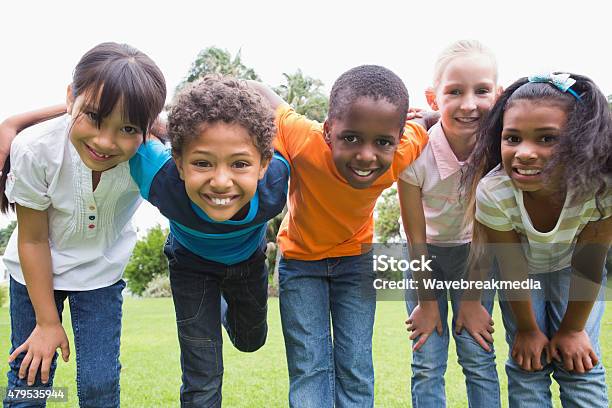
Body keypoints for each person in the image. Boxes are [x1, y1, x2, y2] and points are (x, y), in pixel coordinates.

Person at [251, 65, 430, 407]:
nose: (366, 155)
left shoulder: (405, 149)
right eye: (351, 138)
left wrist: (435, 112)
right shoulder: (303, 139)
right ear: (329, 131)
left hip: (356, 265)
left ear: (398, 137)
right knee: (308, 366)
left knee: (356, 367)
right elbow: (260, 91)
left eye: (382, 142)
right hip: (301, 264)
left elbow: (427, 123)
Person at [1, 42, 166, 407]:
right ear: (69, 99)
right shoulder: (35, 149)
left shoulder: (151, 159)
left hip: (99, 274)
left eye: (126, 128)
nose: (104, 142)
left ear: (145, 128)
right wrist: (46, 323)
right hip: (34, 268)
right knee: (30, 383)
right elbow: (32, 239)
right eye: (93, 117)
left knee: (98, 386)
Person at [129, 75, 290, 407]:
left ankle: (218, 308)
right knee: (202, 374)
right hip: (191, 267)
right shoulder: (161, 180)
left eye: (240, 164)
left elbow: (305, 131)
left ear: (263, 166)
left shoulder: (275, 184)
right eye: (202, 163)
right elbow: (112, 119)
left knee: (251, 340)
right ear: (179, 164)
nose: (220, 181)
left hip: (247, 264)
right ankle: (206, 307)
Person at [462, 72, 611, 407]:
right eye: (512, 138)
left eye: (547, 139)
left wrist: (573, 331)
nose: (524, 153)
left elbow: (590, 259)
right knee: (527, 362)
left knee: (579, 364)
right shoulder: (495, 191)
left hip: (575, 270)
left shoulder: (600, 189)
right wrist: (528, 330)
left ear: (582, 142)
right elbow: (511, 264)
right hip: (522, 272)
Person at [398, 40, 501, 407]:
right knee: (426, 361)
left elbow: (487, 233)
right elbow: (414, 237)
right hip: (425, 256)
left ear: (498, 94)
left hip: (476, 254)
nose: (469, 103)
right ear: (433, 97)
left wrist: (471, 300)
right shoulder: (414, 151)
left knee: (478, 354)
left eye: (482, 90)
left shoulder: (500, 153)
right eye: (455, 91)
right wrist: (427, 302)